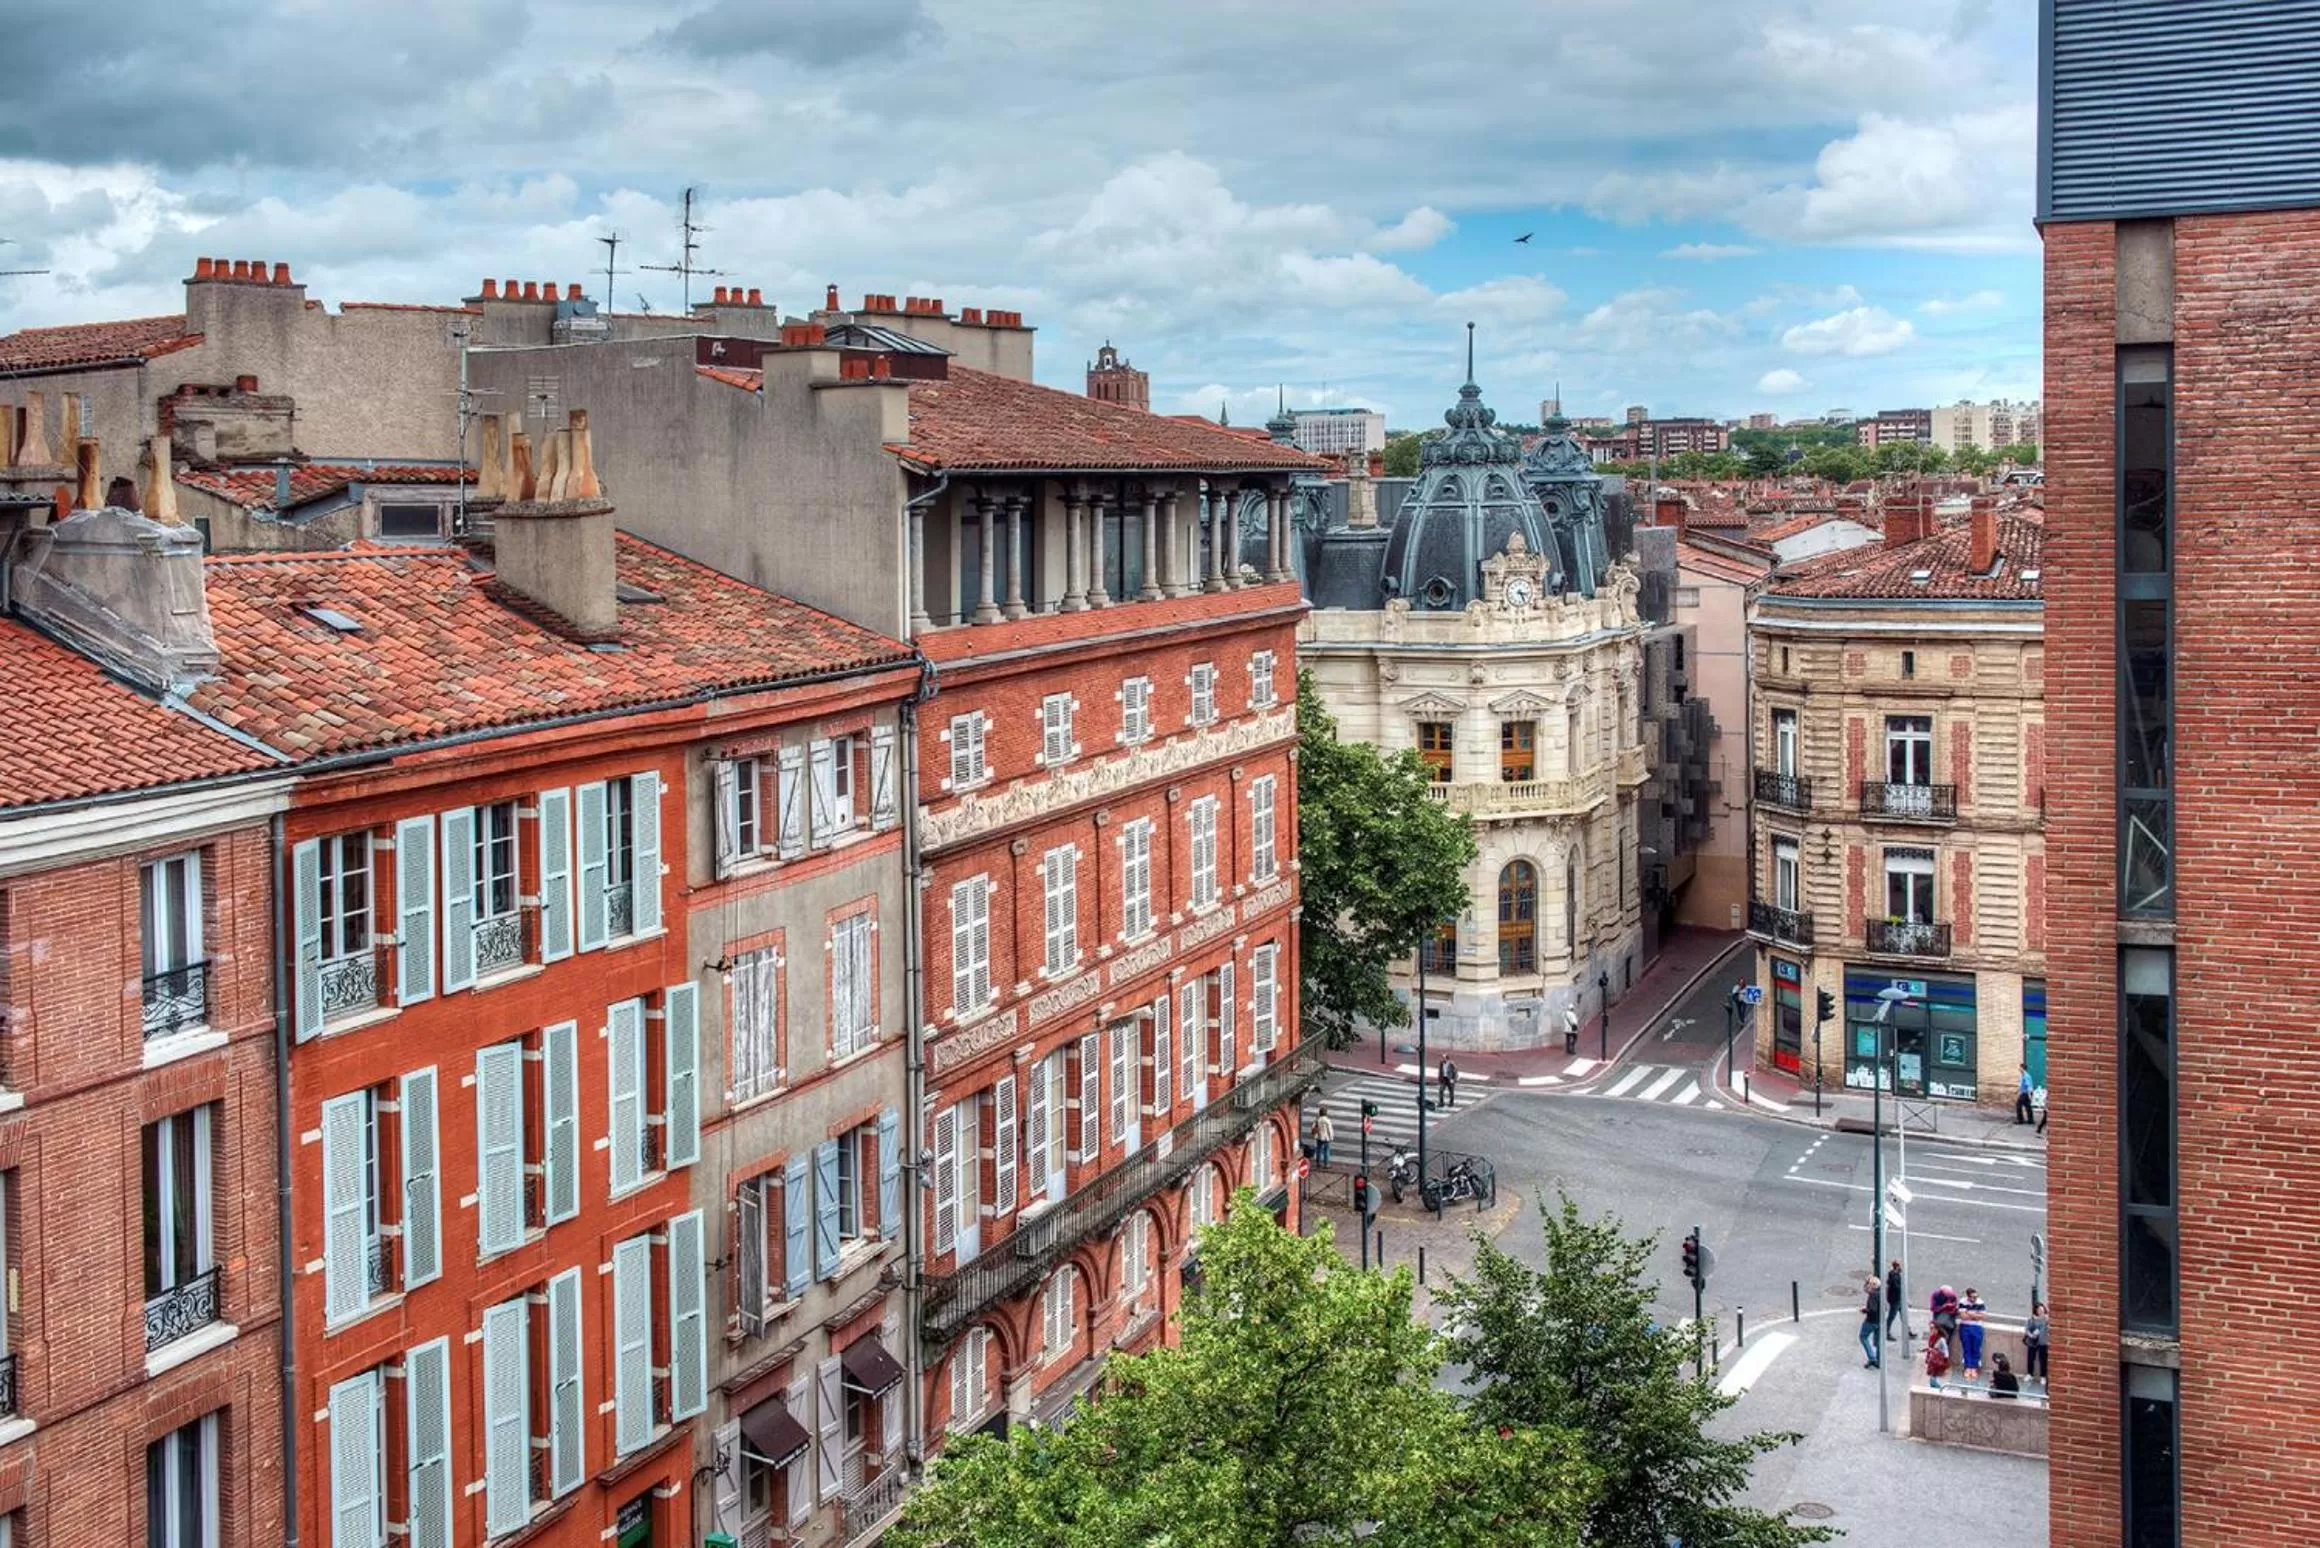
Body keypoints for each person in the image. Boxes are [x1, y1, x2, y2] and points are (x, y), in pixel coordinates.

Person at [1958, 1287, 1988, 1378]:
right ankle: (1968, 1367)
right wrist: (1976, 1315)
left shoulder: (1980, 1302)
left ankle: (1974, 1368)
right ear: (1968, 1296)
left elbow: (1982, 1316)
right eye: (1972, 1297)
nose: (1974, 1299)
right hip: (1965, 1326)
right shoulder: (1962, 1302)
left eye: (1976, 1296)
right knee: (1967, 1348)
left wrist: (1970, 1314)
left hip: (1977, 1327)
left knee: (1976, 1348)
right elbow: (1963, 1316)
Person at [2024, 1300, 2050, 1383]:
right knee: (2030, 1358)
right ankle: (2030, 1374)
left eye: (2042, 1310)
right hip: (2033, 1341)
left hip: (2043, 1341)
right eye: (2039, 1310)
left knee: (2043, 1359)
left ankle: (2043, 1376)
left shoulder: (2046, 1319)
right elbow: (2027, 1329)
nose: (2041, 1312)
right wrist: (2031, 1335)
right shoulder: (2031, 1319)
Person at [1859, 1276, 1882, 1368]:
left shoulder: (1873, 1295)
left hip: (1871, 1321)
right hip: (1880, 1321)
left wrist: (1865, 1310)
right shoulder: (1881, 1293)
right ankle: (1879, 1359)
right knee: (1878, 1341)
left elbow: (1873, 1309)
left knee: (1863, 1337)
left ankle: (1872, 1357)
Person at [1885, 1259, 1906, 1339]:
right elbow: (1896, 1287)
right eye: (1899, 1266)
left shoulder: (1894, 1274)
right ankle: (1886, 1332)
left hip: (1898, 1299)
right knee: (1891, 1317)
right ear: (1896, 1266)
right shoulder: (1894, 1276)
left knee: (1904, 1315)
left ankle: (1907, 1331)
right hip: (1895, 1300)